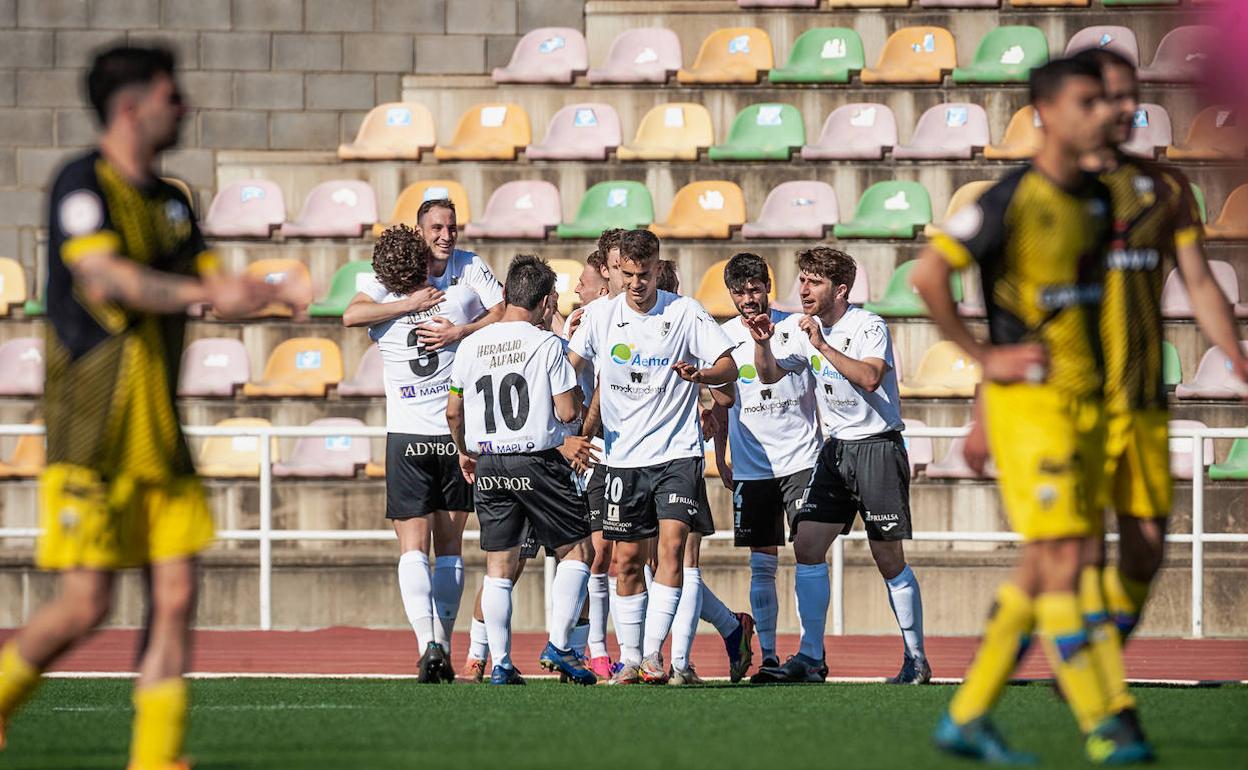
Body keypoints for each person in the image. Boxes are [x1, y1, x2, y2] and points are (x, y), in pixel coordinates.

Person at [0, 45, 307, 769]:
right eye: (174, 96)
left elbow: (206, 281)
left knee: (176, 593)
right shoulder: (83, 183)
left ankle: (156, 759)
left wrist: (257, 292)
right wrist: (206, 292)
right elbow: (104, 279)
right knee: (86, 605)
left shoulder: (173, 199)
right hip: (93, 432)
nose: (186, 107)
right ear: (134, 106)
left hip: (159, 435)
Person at [912, 57, 1151, 764]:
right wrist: (984, 360)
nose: (1105, 112)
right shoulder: (1010, 197)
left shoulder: (1098, 200)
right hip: (1032, 409)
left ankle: (969, 714)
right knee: (1066, 560)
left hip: (1085, 404)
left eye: (1108, 101)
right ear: (1046, 112)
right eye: (1088, 101)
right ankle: (1107, 723)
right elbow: (929, 275)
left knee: (1052, 566)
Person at [1073, 46, 1248, 733]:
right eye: (1104, 96)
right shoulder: (1047, 189)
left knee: (1147, 545)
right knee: (1082, 540)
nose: (1119, 108)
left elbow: (1199, 280)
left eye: (1127, 96)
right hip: (1076, 397)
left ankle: (1100, 646)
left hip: (1143, 393)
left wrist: (1233, 354)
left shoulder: (1166, 187)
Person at [745, 247, 927, 686]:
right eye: (802, 280)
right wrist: (764, 341)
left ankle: (916, 658)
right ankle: (810, 658)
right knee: (807, 544)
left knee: (888, 558)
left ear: (840, 290)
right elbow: (768, 376)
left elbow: (869, 378)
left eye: (814, 282)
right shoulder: (797, 328)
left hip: (877, 449)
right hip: (835, 451)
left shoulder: (867, 326)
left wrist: (820, 345)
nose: (803, 290)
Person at [567, 229, 737, 685]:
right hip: (622, 458)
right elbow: (570, 367)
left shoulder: (684, 312)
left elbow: (729, 367)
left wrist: (701, 372)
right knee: (623, 560)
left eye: (645, 274)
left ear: (657, 268)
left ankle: (652, 657)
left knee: (672, 548)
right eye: (628, 274)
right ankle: (628, 657)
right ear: (616, 269)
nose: (637, 284)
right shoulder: (600, 316)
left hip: (677, 454)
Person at [344, 200, 503, 669]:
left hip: (406, 439)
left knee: (413, 549)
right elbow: (500, 315)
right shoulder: (455, 303)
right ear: (421, 236)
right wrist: (459, 332)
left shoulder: (384, 316)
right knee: (451, 549)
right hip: (453, 440)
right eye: (437, 227)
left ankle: (427, 645)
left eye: (452, 227)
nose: (447, 235)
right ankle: (447, 647)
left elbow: (352, 315)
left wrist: (405, 306)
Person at [446, 255, 597, 686]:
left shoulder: (472, 344)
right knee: (577, 552)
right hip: (537, 459)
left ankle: (502, 663)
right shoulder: (546, 344)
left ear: (509, 293)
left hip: (490, 461)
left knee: (499, 566)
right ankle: (561, 645)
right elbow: (567, 409)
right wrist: (575, 413)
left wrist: (464, 450)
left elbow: (453, 411)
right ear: (547, 301)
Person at [713, 253, 822, 670]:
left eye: (755, 288)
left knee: (809, 551)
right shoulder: (721, 337)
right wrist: (721, 453)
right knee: (762, 559)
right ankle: (771, 654)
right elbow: (720, 401)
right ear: (731, 295)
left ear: (768, 287)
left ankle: (812, 651)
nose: (748, 298)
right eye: (739, 292)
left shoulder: (794, 327)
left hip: (800, 458)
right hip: (752, 463)